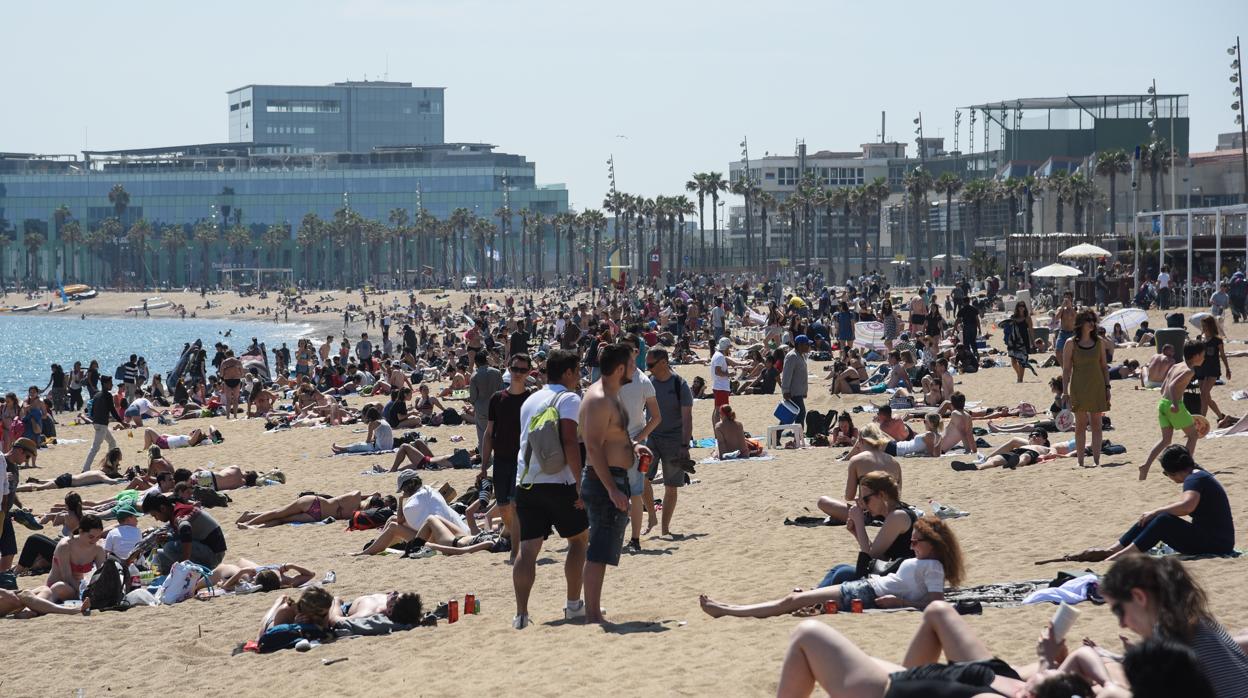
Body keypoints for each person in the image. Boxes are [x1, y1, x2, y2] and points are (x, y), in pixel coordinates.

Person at [774, 602, 1103, 698]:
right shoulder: (1026, 685)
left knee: (808, 634)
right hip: (927, 676)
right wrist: (1053, 662)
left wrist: (1047, 662)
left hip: (886, 691)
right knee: (939, 612)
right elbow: (1080, 661)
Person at [698, 515, 963, 618]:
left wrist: (900, 603)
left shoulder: (933, 567)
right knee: (797, 599)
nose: (911, 544)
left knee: (792, 600)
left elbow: (935, 604)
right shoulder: (925, 562)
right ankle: (730, 608)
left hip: (866, 594)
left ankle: (727, 611)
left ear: (933, 543)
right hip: (865, 588)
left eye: (916, 541)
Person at [512, 348, 588, 630]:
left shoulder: (531, 400)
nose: (579, 376)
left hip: (527, 483)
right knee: (579, 540)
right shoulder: (569, 399)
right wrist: (580, 483)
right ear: (567, 373)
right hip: (559, 482)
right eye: (577, 371)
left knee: (528, 548)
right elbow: (570, 440)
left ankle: (521, 614)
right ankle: (573, 605)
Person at [1099, 555, 1248, 697]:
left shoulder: (1167, 642)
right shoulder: (1197, 620)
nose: (1122, 624)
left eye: (1119, 611)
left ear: (1139, 596)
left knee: (1109, 688)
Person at [579, 342, 650, 624]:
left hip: (612, 476)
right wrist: (610, 489)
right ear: (620, 368)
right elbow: (593, 447)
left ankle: (593, 611)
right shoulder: (599, 398)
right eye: (632, 364)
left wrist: (633, 448)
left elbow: (612, 439)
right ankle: (592, 615)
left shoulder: (611, 395)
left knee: (603, 547)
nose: (636, 368)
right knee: (598, 549)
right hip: (602, 480)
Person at [1081, 446, 1236, 562]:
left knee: (1162, 520)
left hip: (1216, 544)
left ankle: (1121, 556)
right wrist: (1154, 513)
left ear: (1172, 471)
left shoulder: (1193, 479)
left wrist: (1156, 511)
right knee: (1155, 518)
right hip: (1215, 539)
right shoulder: (1198, 475)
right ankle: (1114, 550)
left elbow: (1187, 506)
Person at [816, 471, 916, 587]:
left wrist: (859, 522)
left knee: (843, 573)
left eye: (866, 500)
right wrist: (856, 532)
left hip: (904, 579)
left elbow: (870, 557)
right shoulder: (892, 515)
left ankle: (812, 600)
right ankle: (812, 598)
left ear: (882, 495)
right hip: (895, 571)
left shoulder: (898, 516)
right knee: (838, 568)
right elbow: (881, 556)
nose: (863, 505)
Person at [479, 352, 532, 551]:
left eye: (523, 370)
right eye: (515, 368)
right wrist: (484, 465)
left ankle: (516, 549)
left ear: (528, 372)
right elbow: (489, 433)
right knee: (502, 505)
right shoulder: (497, 399)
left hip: (523, 461)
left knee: (515, 504)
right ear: (509, 368)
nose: (518, 373)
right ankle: (510, 532)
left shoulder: (531, 399)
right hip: (500, 459)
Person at [14, 514, 107, 616]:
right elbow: (66, 576)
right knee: (59, 586)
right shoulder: (65, 545)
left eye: (98, 537)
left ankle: (32, 607)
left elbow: (102, 574)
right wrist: (83, 592)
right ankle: (30, 609)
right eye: (91, 537)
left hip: (77, 589)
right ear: (80, 531)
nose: (95, 540)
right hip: (59, 585)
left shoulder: (98, 549)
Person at [644, 348, 694, 537]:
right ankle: (652, 516)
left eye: (651, 364)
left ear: (663, 362)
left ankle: (665, 529)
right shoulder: (649, 382)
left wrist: (684, 445)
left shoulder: (679, 384)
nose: (648, 368)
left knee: (671, 486)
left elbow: (687, 418)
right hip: (652, 438)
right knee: (641, 477)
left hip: (674, 441)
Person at [1139, 340, 1204, 480]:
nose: (1204, 358)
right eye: (1203, 355)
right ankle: (1187, 467)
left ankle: (1145, 466)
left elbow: (1165, 384)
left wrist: (1167, 400)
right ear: (1196, 355)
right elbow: (1173, 385)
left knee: (1165, 440)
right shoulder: (1189, 370)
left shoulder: (1176, 365)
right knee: (1193, 435)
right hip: (1174, 405)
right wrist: (1174, 403)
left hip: (1162, 403)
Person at [355, 472, 462, 555]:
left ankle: (368, 551)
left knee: (393, 526)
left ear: (408, 486)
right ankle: (377, 543)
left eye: (403, 489)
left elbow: (401, 520)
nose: (403, 492)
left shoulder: (412, 503)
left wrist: (401, 500)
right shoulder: (430, 490)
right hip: (449, 533)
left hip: (435, 540)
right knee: (393, 518)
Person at [1062, 310, 1109, 468]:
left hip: (1097, 385)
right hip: (1078, 386)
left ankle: (1097, 461)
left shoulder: (1100, 342)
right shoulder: (1070, 343)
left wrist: (1107, 387)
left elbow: (1104, 366)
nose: (1092, 323)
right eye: (1088, 320)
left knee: (1097, 423)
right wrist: (1065, 391)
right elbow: (1066, 369)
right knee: (1080, 424)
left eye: (1093, 320)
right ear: (1081, 323)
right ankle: (1080, 461)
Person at [142, 494, 228, 574]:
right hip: (203, 548)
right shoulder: (175, 512)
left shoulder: (179, 514)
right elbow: (187, 534)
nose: (156, 519)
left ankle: (196, 572)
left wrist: (184, 563)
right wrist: (169, 537)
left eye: (155, 515)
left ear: (163, 508)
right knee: (159, 555)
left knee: (169, 548)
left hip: (214, 554)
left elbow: (185, 527)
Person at [236, 490, 374, 529]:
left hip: (316, 516)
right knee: (278, 513)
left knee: (281, 519)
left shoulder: (358, 514)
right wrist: (372, 495)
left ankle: (250, 519)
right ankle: (248, 523)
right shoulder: (356, 496)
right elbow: (369, 494)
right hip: (316, 503)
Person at [1, 438, 38, 573]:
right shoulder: (1, 462)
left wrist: (21, 505)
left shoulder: (15, 468)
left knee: (9, 552)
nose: (26, 460)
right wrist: (2, 476)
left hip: (5, 515)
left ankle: (2, 580)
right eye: (27, 456)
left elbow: (11, 490)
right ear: (20, 450)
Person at [81, 375, 126, 473]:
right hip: (102, 425)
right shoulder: (108, 395)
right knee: (95, 448)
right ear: (105, 384)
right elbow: (113, 410)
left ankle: (109, 463)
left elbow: (91, 411)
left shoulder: (96, 395)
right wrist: (122, 422)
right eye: (110, 383)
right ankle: (85, 469)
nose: (112, 384)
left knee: (112, 442)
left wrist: (96, 420)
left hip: (98, 424)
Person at [1195, 315, 1230, 421]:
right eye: (1202, 325)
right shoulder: (1199, 338)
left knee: (1203, 395)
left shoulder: (1217, 340)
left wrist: (1227, 368)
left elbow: (1223, 355)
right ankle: (1221, 416)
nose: (1204, 327)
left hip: (1212, 369)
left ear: (1210, 326)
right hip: (1200, 369)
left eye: (1205, 325)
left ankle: (1202, 421)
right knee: (1206, 397)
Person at [468, 351, 503, 452]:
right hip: (496, 407)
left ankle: (486, 460)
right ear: (486, 360)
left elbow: (473, 397)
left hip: (481, 408)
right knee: (497, 434)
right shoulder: (496, 372)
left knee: (482, 435)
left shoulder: (474, 376)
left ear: (476, 363)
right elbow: (501, 391)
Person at [782, 335, 811, 430]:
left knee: (788, 416)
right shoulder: (792, 356)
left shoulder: (800, 355)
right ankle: (798, 437)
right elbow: (786, 375)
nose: (808, 346)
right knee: (800, 414)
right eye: (807, 344)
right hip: (793, 393)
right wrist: (785, 391)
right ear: (800, 345)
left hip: (798, 392)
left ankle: (777, 435)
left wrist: (804, 392)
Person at [1004, 301, 1033, 383]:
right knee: (1013, 362)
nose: (1021, 307)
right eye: (1019, 306)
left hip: (1024, 341)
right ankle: (1019, 375)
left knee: (1022, 361)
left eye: (1023, 306)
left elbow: (1031, 330)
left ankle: (1020, 379)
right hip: (1013, 341)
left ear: (1025, 307)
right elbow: (1007, 330)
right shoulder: (1012, 318)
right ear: (1017, 307)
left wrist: (1033, 342)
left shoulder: (1027, 318)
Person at [710, 337, 734, 432]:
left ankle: (717, 432)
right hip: (721, 387)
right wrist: (729, 374)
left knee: (717, 410)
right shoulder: (719, 356)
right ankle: (718, 432)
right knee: (720, 411)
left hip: (719, 386)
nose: (729, 349)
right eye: (728, 347)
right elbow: (718, 371)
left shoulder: (717, 355)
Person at [1054, 291, 1076, 366]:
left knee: (1073, 353)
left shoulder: (1075, 309)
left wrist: (1070, 307)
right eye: (1065, 298)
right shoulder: (1061, 309)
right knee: (1058, 351)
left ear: (1072, 299)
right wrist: (1062, 307)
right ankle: (1064, 369)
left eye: (1069, 298)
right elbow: (1056, 318)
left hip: (1072, 333)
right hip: (1063, 333)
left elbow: (1077, 318)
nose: (1067, 300)